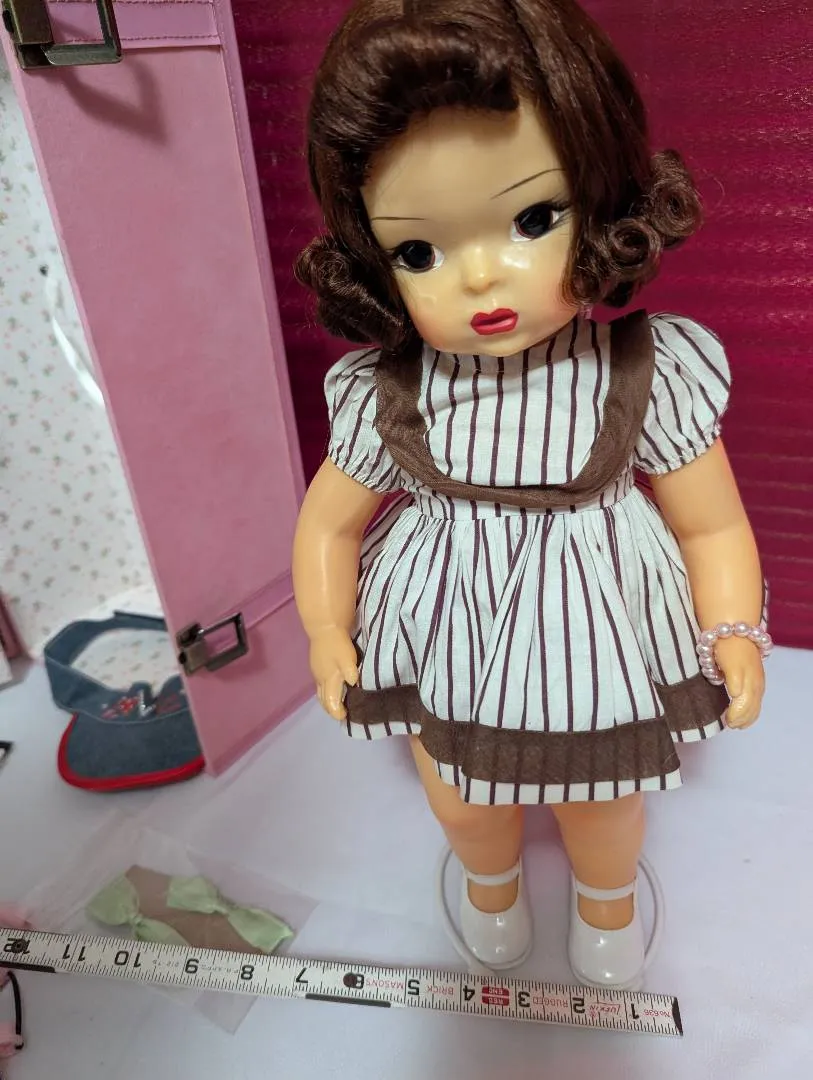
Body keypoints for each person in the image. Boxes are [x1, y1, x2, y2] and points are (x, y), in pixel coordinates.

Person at [291, 0, 768, 989]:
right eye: (419, 251)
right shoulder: (392, 389)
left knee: (603, 800)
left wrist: (731, 628)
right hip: (450, 623)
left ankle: (607, 901)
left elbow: (711, 521)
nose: (479, 276)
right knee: (461, 795)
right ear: (374, 257)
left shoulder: (643, 369)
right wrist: (327, 629)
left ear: (601, 201)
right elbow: (331, 522)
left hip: (596, 625)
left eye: (532, 218)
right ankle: (490, 883)